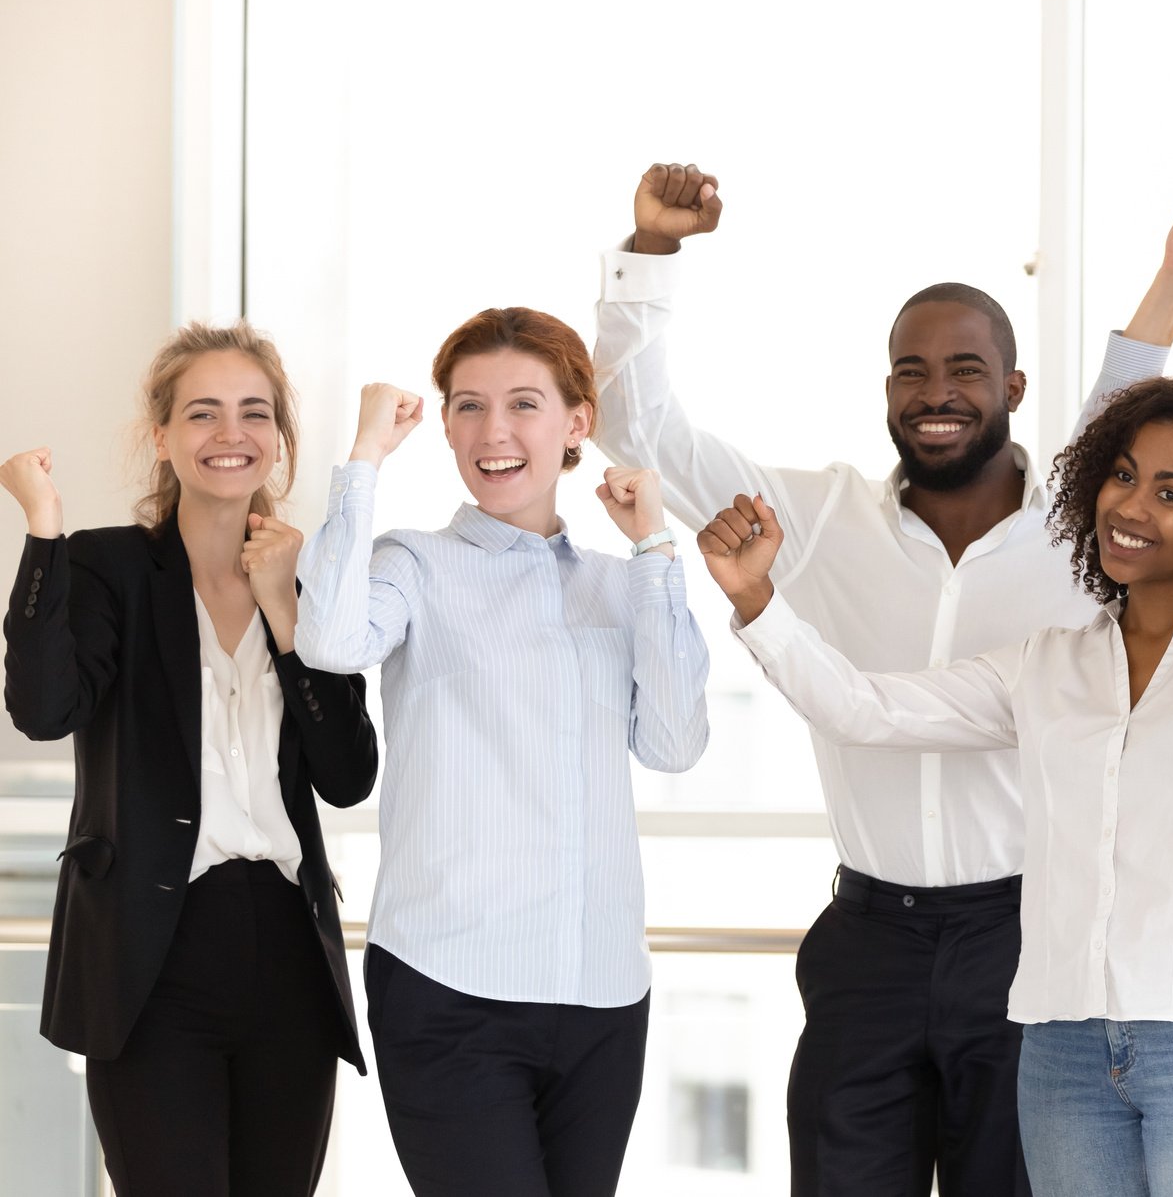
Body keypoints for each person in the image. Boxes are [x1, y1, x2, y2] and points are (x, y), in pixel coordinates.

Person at [593, 163, 1173, 1194]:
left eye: (965, 370)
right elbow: (641, 432)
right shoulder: (807, 520)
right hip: (868, 944)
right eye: (910, 370)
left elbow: (1128, 398)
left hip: (1027, 939)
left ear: (1014, 389)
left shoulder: (1083, 528)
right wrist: (654, 253)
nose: (936, 393)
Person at [699, 375, 1173, 1196]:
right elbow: (865, 710)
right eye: (1122, 476)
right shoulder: (1049, 663)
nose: (1132, 506)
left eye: (1171, 492)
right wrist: (757, 597)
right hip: (1065, 1048)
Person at [295, 307, 711, 1197]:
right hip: (451, 990)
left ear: (577, 424)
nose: (495, 433)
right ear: (443, 423)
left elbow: (675, 744)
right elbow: (329, 640)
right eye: (469, 406)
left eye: (525, 404)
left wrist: (654, 548)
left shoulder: (619, 582)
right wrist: (364, 454)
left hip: (602, 994)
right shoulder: (413, 561)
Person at [1, 323, 378, 1196]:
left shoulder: (308, 574)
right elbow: (43, 708)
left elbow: (349, 773)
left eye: (253, 413)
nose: (229, 434)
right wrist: (43, 531)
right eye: (202, 413)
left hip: (287, 949)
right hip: (150, 954)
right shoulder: (106, 568)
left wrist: (287, 615)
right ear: (163, 436)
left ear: (280, 437)